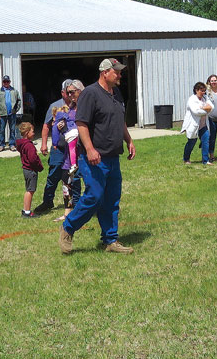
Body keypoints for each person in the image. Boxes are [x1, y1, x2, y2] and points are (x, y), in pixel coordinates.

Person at [59, 58, 136, 255]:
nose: (120, 75)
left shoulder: (116, 93)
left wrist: (129, 140)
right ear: (104, 72)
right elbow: (82, 124)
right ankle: (68, 227)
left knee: (112, 199)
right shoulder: (90, 94)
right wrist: (90, 149)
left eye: (120, 72)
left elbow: (120, 120)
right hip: (93, 157)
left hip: (112, 157)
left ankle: (110, 240)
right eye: (116, 72)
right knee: (94, 195)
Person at [36, 80, 82, 215]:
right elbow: (46, 126)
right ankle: (47, 201)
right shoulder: (55, 106)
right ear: (62, 92)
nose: (69, 94)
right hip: (59, 149)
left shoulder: (78, 106)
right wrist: (44, 144)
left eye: (72, 91)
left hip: (74, 148)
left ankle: (76, 203)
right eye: (67, 92)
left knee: (76, 175)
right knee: (54, 174)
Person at [15, 122, 43, 218]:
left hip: (26, 169)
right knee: (30, 191)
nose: (34, 133)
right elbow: (32, 159)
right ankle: (27, 211)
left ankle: (26, 210)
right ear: (27, 132)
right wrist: (39, 167)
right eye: (32, 131)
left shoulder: (22, 144)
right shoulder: (29, 146)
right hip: (31, 170)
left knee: (29, 190)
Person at [181, 82, 212, 165]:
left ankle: (206, 161)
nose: (203, 93)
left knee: (206, 140)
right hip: (193, 125)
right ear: (196, 90)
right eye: (202, 91)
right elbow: (196, 111)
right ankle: (186, 158)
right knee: (191, 143)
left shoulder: (205, 98)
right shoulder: (192, 99)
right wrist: (206, 110)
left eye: (204, 91)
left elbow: (212, 107)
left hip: (203, 124)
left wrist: (204, 108)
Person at [0, 75, 21, 152]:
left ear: (9, 82)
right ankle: (1, 145)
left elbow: (19, 101)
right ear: (2, 82)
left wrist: (16, 109)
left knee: (12, 129)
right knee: (1, 130)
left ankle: (12, 144)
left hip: (12, 114)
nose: (6, 83)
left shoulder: (14, 91)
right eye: (4, 81)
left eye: (7, 81)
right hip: (2, 114)